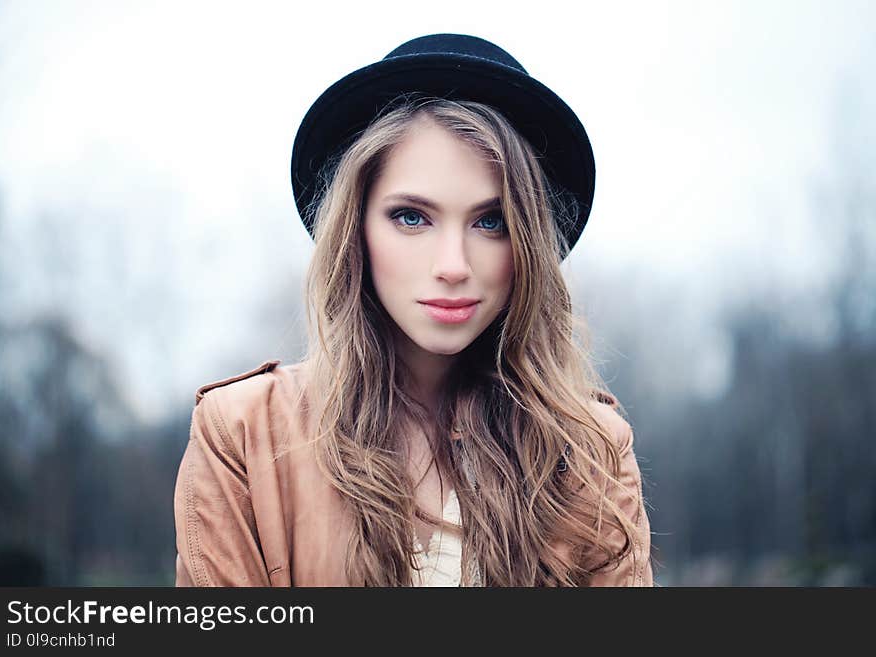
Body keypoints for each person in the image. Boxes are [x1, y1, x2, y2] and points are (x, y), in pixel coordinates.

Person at [174, 33, 654, 587]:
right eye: (411, 217)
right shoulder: (242, 432)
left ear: (528, 245)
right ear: (355, 230)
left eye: (490, 221)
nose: (453, 265)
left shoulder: (590, 449)